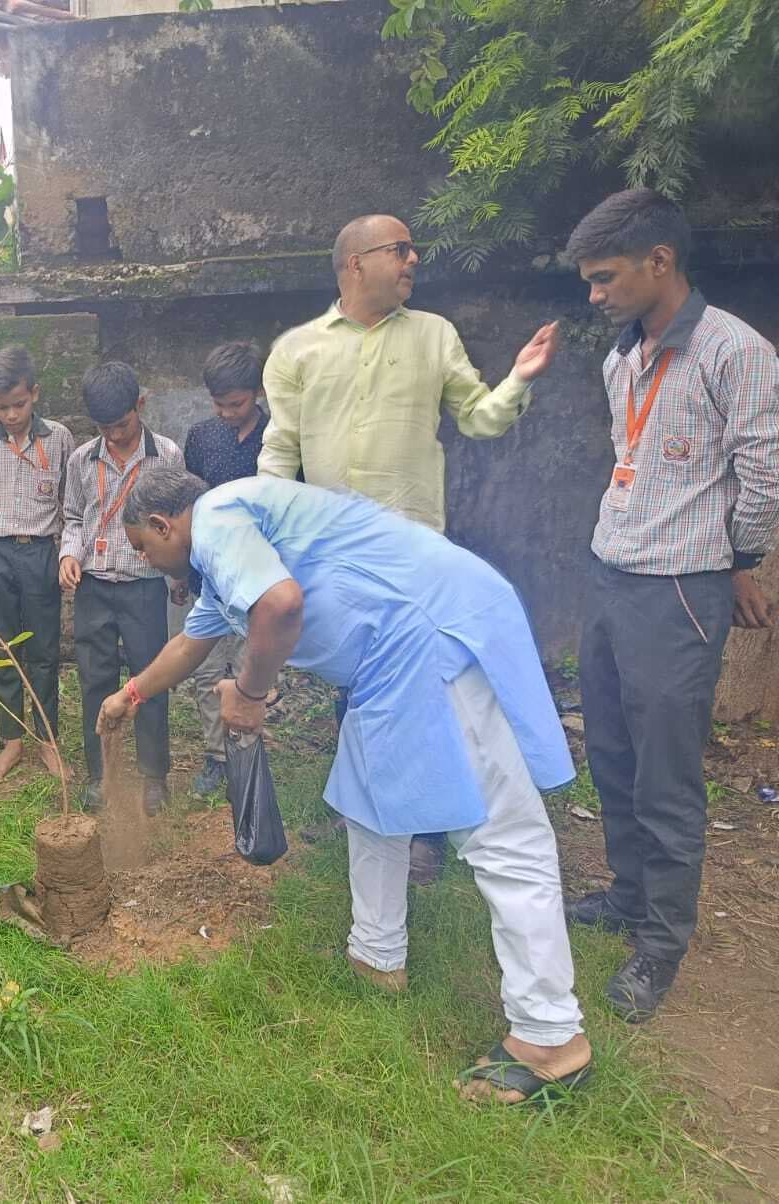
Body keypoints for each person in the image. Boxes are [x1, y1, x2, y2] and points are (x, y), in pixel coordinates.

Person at [100, 465, 593, 1105]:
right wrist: (130, 694)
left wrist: (248, 696)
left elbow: (280, 605)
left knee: (503, 838)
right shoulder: (222, 565)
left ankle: (551, 1035)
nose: (146, 561)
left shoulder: (220, 516)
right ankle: (376, 955)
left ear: (166, 525)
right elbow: (190, 647)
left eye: (142, 547)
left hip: (429, 633)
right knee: (372, 808)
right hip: (387, 663)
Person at [259, 212, 562, 885]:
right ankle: (366, 815)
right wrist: (268, 534)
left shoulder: (434, 336)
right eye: (399, 249)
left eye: (412, 250)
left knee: (424, 686)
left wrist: (519, 378)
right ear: (354, 263)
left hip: (416, 556)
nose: (413, 259)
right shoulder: (297, 350)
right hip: (335, 553)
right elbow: (281, 450)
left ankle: (425, 834)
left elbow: (479, 417)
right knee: (356, 686)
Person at [564, 188, 779, 1022]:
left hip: (679, 592)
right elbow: (635, 461)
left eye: (605, 277)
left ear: (660, 262)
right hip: (611, 575)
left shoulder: (735, 352)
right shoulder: (623, 356)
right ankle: (626, 894)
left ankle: (661, 943)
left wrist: (738, 560)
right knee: (612, 751)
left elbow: (763, 474)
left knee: (666, 774)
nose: (594, 295)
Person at [60, 362, 184, 815]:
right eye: (104, 427)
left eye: (123, 424)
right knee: (94, 681)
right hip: (93, 585)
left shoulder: (166, 455)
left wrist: (177, 576)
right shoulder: (80, 459)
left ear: (141, 406)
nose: (114, 435)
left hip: (144, 587)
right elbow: (74, 516)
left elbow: (178, 524)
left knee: (149, 681)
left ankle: (154, 777)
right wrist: (69, 555)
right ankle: (100, 775)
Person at [0, 345, 76, 781]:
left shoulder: (60, 438)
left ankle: (48, 741)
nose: (11, 415)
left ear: (35, 394)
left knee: (45, 652)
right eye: (1, 406)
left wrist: (67, 554)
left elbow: (71, 505)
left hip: (40, 554)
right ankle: (12, 741)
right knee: (1, 649)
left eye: (20, 404)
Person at [178, 341, 268, 797]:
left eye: (236, 403)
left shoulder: (278, 438)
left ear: (258, 392)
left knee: (251, 668)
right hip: (209, 578)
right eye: (219, 404)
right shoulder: (200, 437)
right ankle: (217, 757)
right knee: (207, 671)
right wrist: (181, 572)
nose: (228, 412)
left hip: (259, 579)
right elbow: (187, 508)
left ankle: (248, 755)